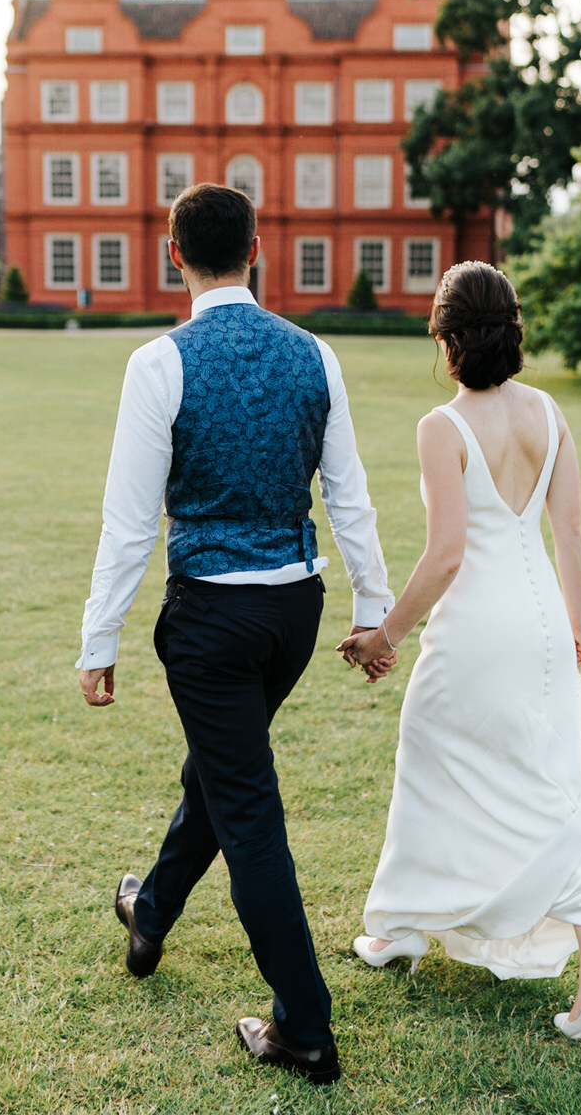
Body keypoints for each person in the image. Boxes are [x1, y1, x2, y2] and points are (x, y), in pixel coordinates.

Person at [78, 183, 394, 1085]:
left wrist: (98, 640)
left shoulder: (158, 363)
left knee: (248, 810)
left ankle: (305, 1027)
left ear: (172, 253)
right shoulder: (314, 355)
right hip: (294, 614)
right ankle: (151, 910)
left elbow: (129, 520)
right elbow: (348, 495)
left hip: (212, 618)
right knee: (222, 773)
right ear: (257, 250)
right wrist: (368, 608)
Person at [338, 261, 581, 1046]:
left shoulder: (443, 425)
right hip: (538, 622)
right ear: (513, 331)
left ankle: (400, 926)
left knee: (428, 755)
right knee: (560, 779)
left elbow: (444, 557)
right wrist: (574, 624)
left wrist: (383, 636)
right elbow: (566, 531)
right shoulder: (548, 413)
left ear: (443, 338)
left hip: (474, 630)